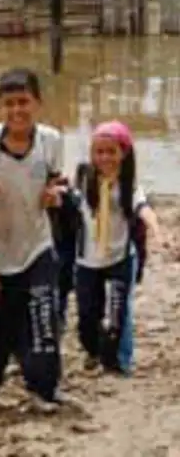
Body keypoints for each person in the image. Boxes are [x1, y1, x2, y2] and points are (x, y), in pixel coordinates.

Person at [0, 68, 69, 414]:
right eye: (9, 103)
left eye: (23, 101)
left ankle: (43, 390)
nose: (17, 110)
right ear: (0, 107)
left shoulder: (51, 140)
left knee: (41, 320)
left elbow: (58, 180)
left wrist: (55, 194)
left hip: (36, 245)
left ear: (37, 103)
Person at [69, 121, 160, 375]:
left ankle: (118, 362)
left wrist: (156, 229)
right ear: (91, 154)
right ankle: (94, 351)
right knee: (87, 315)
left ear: (124, 153)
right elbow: (66, 201)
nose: (105, 157)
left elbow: (143, 209)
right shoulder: (84, 180)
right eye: (99, 152)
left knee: (119, 315)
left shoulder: (128, 186)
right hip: (87, 261)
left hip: (120, 258)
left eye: (111, 151)